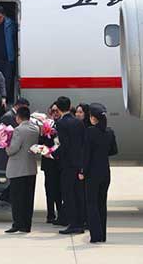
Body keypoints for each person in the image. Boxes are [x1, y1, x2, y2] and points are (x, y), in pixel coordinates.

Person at [83, 103, 118, 243]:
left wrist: (82, 171)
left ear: (93, 118)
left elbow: (86, 155)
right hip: (105, 172)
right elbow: (114, 151)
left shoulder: (90, 132)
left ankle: (95, 235)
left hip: (92, 173)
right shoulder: (109, 132)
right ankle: (102, 235)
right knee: (101, 204)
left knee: (91, 204)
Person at [54, 96, 87, 235]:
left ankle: (73, 224)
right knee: (79, 194)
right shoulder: (78, 122)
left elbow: (64, 145)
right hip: (79, 163)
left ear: (59, 108)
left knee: (68, 195)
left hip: (67, 164)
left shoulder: (61, 123)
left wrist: (53, 154)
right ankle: (80, 222)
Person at [5, 107, 39, 234]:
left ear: (18, 117)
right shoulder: (35, 129)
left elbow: (13, 149)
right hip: (30, 168)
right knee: (28, 199)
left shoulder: (19, 130)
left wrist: (6, 147)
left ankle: (17, 224)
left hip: (18, 169)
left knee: (17, 199)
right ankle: (26, 225)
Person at [0, 98, 30, 203]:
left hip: (15, 150)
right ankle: (7, 196)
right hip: (10, 151)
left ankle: (9, 196)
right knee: (14, 178)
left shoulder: (11, 116)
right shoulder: (8, 117)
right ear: (19, 106)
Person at [42, 103, 64, 225]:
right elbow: (40, 142)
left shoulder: (63, 124)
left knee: (59, 190)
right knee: (49, 190)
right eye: (53, 111)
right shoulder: (45, 125)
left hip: (60, 163)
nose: (55, 113)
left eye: (57, 110)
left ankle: (61, 213)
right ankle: (50, 214)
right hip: (49, 162)